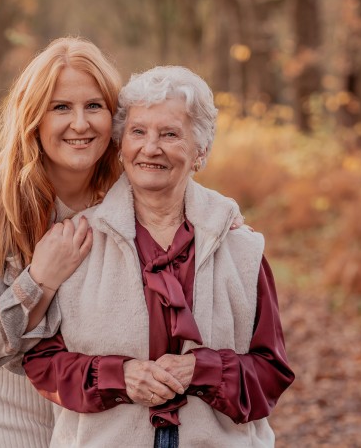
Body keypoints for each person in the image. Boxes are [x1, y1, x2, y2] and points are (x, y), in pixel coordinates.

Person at [23, 66, 295, 447]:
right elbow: (41, 362)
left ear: (200, 151)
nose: (150, 148)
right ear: (120, 146)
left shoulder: (242, 249)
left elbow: (272, 373)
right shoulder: (77, 241)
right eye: (138, 132)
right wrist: (119, 376)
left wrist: (202, 370)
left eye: (169, 134)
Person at [0, 37, 123, 447]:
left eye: (94, 106)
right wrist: (40, 279)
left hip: (100, 390)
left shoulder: (125, 195)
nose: (80, 123)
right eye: (61, 107)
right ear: (34, 117)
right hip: (11, 393)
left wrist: (221, 220)